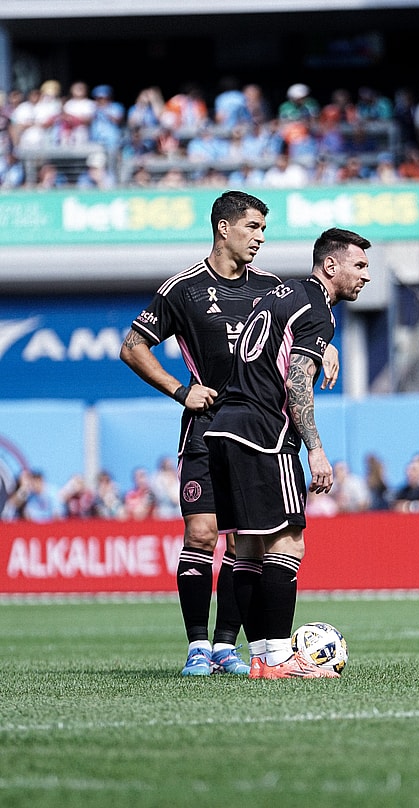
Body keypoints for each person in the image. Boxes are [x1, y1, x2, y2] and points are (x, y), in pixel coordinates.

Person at [119, 191, 339, 677]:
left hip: (257, 429)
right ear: (224, 228)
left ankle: (226, 646)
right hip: (204, 427)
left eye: (264, 229)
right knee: (200, 533)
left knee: (245, 544)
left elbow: (302, 330)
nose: (261, 238)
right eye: (253, 227)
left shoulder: (271, 287)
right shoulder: (183, 289)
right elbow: (132, 347)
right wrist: (181, 390)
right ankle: (198, 645)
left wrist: (327, 347)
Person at [205, 227, 371, 679]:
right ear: (331, 266)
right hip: (265, 434)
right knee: (288, 543)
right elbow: (297, 380)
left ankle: (261, 658)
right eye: (359, 266)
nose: (366, 276)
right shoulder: (318, 307)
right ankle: (281, 659)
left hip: (223, 427)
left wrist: (325, 347)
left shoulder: (281, 293)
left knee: (249, 550)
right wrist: (315, 449)